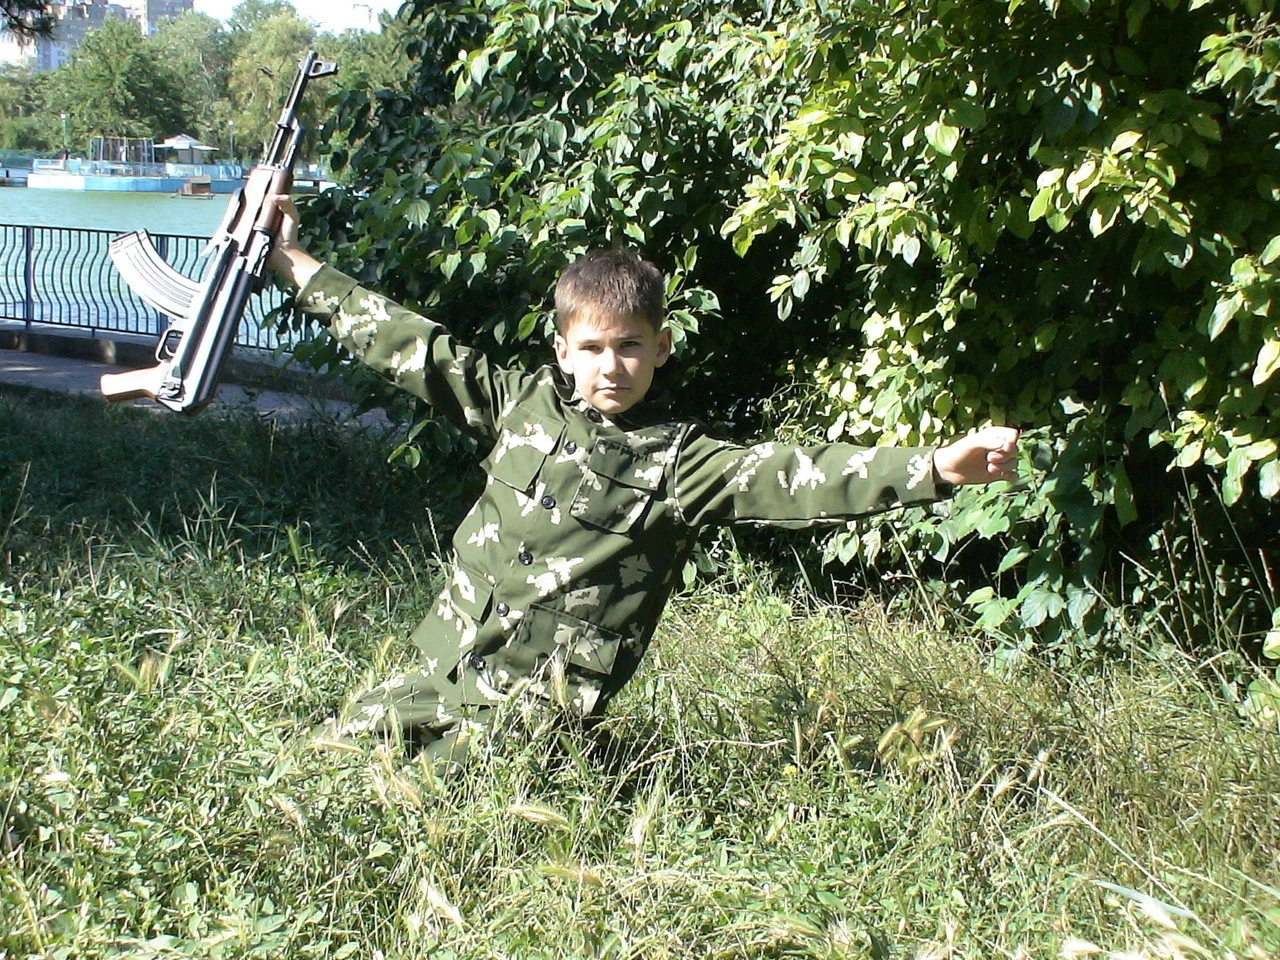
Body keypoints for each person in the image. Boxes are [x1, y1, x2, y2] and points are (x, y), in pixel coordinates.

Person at [267, 196, 1019, 765]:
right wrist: (292, 261)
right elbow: (408, 344)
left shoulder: (679, 465)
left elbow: (796, 475)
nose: (611, 366)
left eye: (629, 346)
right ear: (562, 351)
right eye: (592, 347)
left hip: (531, 709)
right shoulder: (523, 406)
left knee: (440, 796)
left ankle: (577, 763)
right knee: (325, 755)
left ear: (660, 348)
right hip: (445, 663)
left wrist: (932, 467)